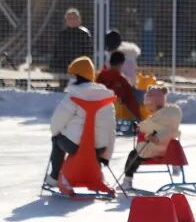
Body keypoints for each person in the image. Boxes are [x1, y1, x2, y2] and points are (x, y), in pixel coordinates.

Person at [46, 57, 116, 187]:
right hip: (99, 147)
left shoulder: (74, 94)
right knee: (98, 133)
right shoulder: (106, 96)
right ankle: (95, 174)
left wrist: (55, 133)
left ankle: (55, 177)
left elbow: (58, 120)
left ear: (76, 76)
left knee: (57, 139)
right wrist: (106, 155)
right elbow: (111, 128)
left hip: (75, 145)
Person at [120, 85, 182, 191]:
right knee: (173, 141)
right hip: (171, 151)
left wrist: (138, 126)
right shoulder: (175, 113)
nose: (148, 109)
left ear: (152, 103)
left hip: (154, 150)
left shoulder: (155, 119)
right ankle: (175, 166)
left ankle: (127, 180)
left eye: (148, 106)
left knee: (134, 155)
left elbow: (145, 127)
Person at [96, 51, 143, 121]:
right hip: (116, 116)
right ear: (122, 63)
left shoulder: (100, 76)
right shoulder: (121, 80)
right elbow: (131, 100)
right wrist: (139, 118)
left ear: (110, 62)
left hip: (98, 113)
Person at [50, 8, 93, 76]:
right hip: (64, 68)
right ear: (66, 20)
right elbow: (56, 51)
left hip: (80, 68)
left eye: (75, 18)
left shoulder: (84, 33)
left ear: (79, 19)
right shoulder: (62, 34)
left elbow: (89, 52)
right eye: (70, 18)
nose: (72, 20)